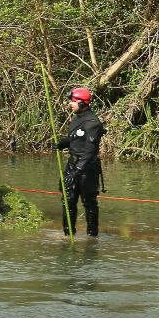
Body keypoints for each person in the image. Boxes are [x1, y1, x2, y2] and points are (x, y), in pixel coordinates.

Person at [55, 86, 105, 237]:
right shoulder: (76, 118)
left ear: (82, 103)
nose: (70, 103)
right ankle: (68, 233)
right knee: (67, 200)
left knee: (89, 202)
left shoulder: (93, 123)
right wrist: (63, 143)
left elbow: (90, 151)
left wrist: (77, 171)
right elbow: (76, 137)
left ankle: (92, 236)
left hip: (87, 168)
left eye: (73, 101)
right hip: (72, 164)